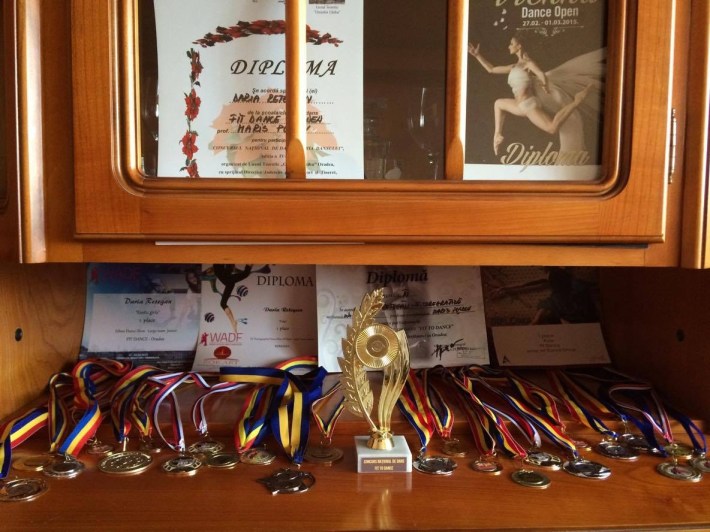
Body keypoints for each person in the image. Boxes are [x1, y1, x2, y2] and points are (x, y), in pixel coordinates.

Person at [468, 35, 603, 157]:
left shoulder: (528, 63)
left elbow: (540, 74)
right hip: (518, 106)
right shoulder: (513, 66)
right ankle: (497, 135)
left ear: (519, 46)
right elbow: (491, 69)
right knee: (498, 103)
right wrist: (477, 55)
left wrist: (544, 84)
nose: (509, 46)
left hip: (528, 105)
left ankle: (577, 100)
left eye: (511, 43)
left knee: (552, 128)